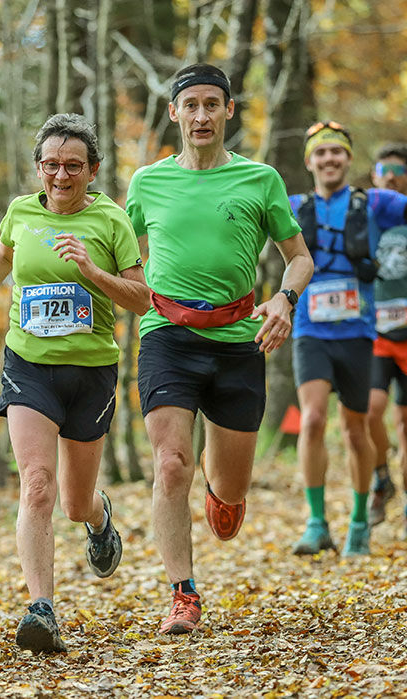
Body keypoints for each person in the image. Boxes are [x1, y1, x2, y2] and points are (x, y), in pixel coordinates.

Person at [125, 63, 313, 635]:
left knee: (228, 499)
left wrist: (284, 299)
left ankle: (221, 489)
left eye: (213, 105)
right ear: (175, 112)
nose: (201, 115)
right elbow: (119, 252)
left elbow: (299, 257)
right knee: (169, 462)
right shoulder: (147, 182)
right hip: (167, 337)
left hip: (238, 340)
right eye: (191, 105)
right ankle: (182, 591)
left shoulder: (260, 180)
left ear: (229, 111)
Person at [0, 113, 149, 653]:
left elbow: (141, 297)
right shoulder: (21, 211)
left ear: (93, 170)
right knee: (37, 483)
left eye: (74, 166)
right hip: (28, 363)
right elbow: (5, 252)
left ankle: (99, 517)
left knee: (74, 501)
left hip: (90, 371)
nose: (61, 176)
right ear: (39, 167)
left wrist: (92, 272)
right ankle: (42, 608)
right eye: (52, 165)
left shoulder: (111, 220)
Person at [290, 123, 407, 557]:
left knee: (356, 429)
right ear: (309, 162)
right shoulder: (291, 206)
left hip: (359, 332)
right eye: (321, 154)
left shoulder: (376, 202)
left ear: (348, 160)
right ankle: (316, 522)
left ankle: (359, 522)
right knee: (313, 419)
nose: (329, 160)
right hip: (310, 330)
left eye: (337, 153)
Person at [366, 143, 407, 529]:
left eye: (399, 169)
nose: (392, 175)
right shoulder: (366, 217)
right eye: (385, 169)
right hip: (377, 332)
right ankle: (382, 476)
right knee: (369, 411)